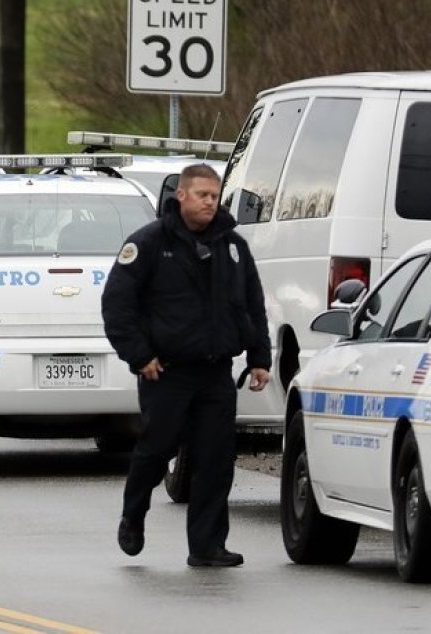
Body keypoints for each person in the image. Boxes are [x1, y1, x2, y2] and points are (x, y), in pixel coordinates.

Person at [100, 163, 271, 568]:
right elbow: (117, 305)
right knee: (157, 451)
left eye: (215, 196)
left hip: (215, 373)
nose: (210, 202)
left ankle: (207, 545)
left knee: (215, 459)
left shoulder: (232, 246)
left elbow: (252, 304)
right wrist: (140, 356)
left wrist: (260, 357)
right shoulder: (149, 244)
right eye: (203, 195)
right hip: (166, 372)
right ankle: (133, 516)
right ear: (182, 196)